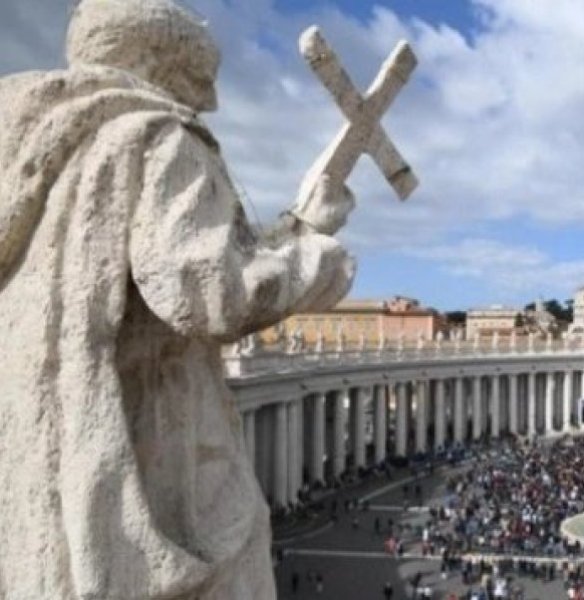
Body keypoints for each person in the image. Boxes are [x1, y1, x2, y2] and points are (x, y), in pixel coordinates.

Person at [0, 0, 355, 597]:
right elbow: (212, 291)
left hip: (37, 451)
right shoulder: (153, 136)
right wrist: (317, 254)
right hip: (151, 445)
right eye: (198, 81)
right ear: (153, 59)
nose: (208, 103)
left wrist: (294, 223)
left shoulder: (25, 149)